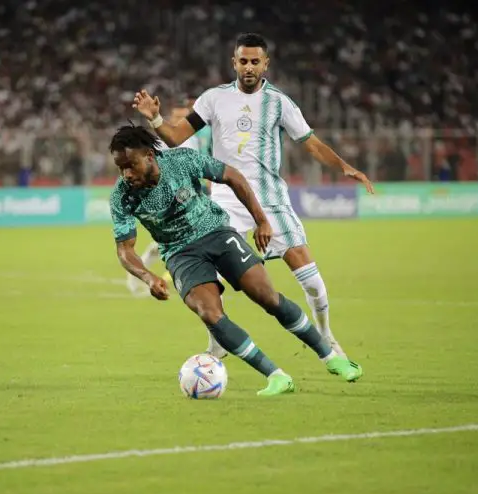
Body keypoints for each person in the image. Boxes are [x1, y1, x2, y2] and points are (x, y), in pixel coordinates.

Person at [133, 32, 375, 359]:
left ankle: (326, 334)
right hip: (225, 200)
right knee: (210, 279)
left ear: (266, 64)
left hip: (270, 199)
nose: (249, 67)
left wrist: (344, 167)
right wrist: (156, 118)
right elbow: (176, 137)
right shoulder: (213, 99)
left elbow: (312, 143)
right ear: (234, 62)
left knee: (310, 277)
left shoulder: (279, 103)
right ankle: (217, 345)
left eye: (255, 61)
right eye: (243, 61)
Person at [109, 124, 363, 396]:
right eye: (121, 168)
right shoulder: (122, 196)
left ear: (149, 155)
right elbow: (125, 250)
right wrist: (149, 277)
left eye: (131, 165)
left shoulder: (182, 160)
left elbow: (233, 176)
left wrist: (261, 221)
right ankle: (276, 377)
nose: (126, 174)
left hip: (216, 233)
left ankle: (331, 357)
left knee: (267, 296)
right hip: (180, 253)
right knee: (210, 314)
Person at [126, 99, 213, 297]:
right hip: (172, 196)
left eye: (185, 116)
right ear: (171, 117)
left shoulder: (195, 139)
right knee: (173, 240)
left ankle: (201, 277)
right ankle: (141, 272)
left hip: (193, 193)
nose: (182, 119)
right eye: (178, 116)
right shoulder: (162, 140)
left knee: (193, 237)